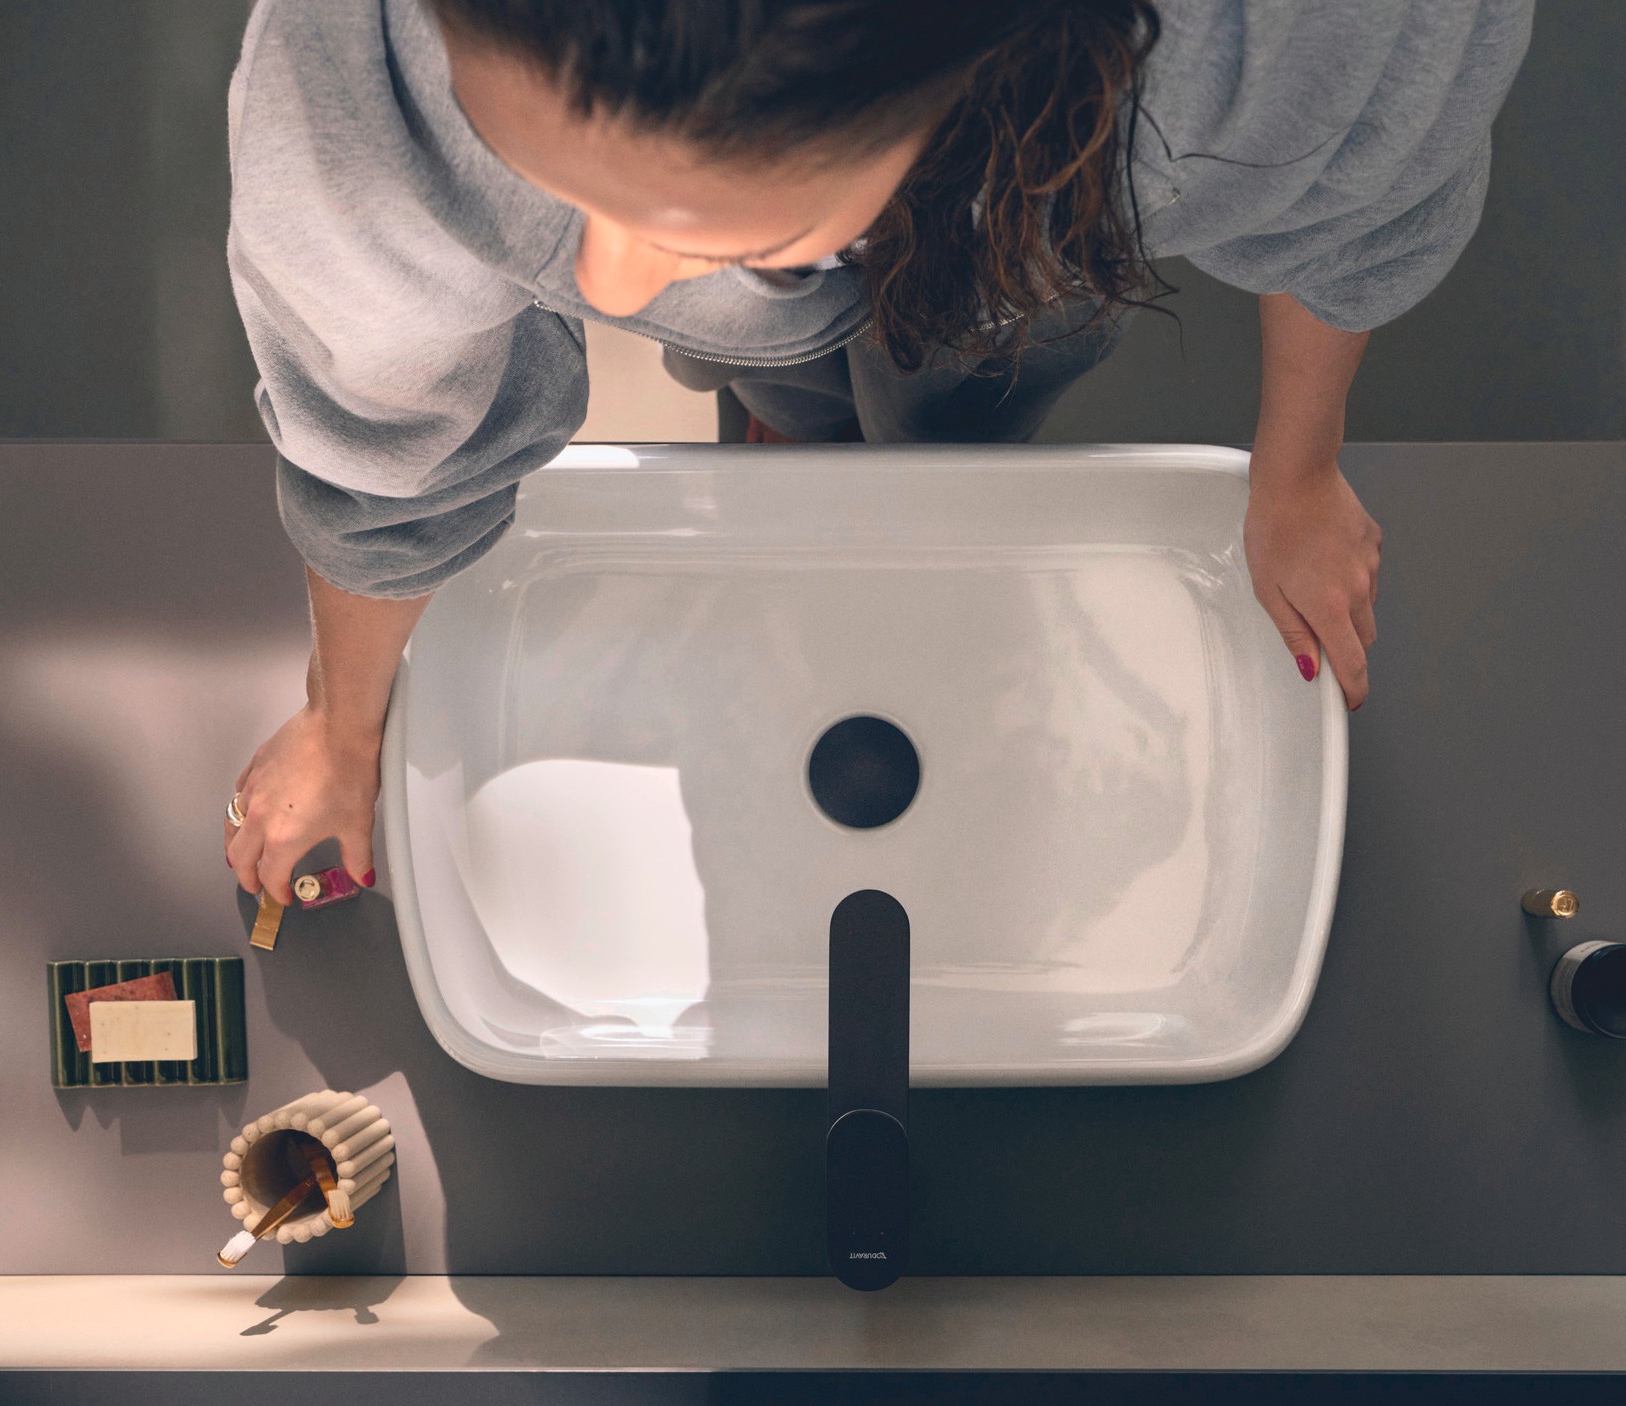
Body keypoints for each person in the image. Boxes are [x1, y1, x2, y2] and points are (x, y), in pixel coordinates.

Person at [222, 0, 1533, 898]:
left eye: (704, 223)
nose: (608, 292)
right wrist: (344, 725)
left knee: (976, 385)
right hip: (836, 306)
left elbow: (1362, 198)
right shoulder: (359, 56)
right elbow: (386, 430)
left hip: (1038, 230)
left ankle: (916, 430)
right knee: (769, 369)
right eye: (555, 183)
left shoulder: (1286, 41)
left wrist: (1297, 471)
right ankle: (794, 412)